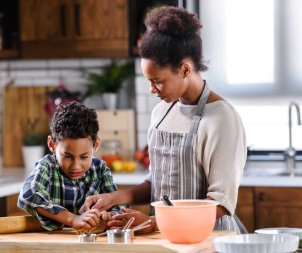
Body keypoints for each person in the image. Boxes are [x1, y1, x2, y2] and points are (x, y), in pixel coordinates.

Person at [80, 6, 247, 234]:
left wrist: (154, 222)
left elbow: (220, 204)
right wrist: (114, 198)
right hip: (164, 236)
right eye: (149, 81)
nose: (152, 89)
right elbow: (157, 184)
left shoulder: (222, 119)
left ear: (185, 70)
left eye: (158, 81)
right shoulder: (161, 113)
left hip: (209, 239)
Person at [18, 101, 121, 231]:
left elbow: (119, 209)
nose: (75, 166)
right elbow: (28, 196)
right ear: (52, 144)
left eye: (84, 157)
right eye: (67, 156)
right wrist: (72, 219)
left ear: (96, 145)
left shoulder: (100, 169)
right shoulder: (47, 167)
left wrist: (107, 216)